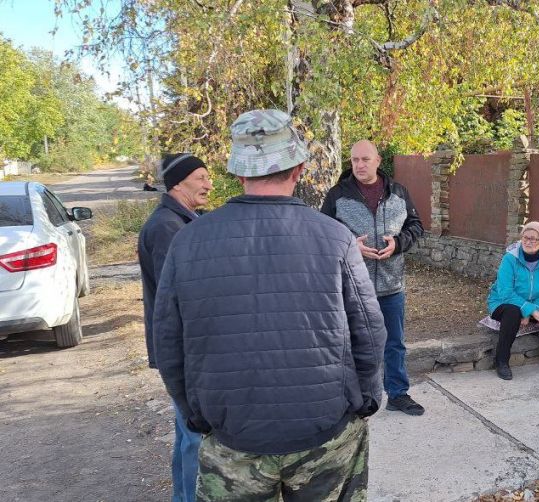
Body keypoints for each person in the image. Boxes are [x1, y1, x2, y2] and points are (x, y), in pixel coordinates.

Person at [153, 109, 387, 501]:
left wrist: (193, 411)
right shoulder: (336, 238)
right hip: (324, 430)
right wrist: (366, 398)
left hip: (233, 436)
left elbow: (168, 341)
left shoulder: (189, 241)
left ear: (239, 172)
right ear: (297, 169)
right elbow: (369, 328)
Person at [320, 140, 426, 416]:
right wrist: (350, 246)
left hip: (392, 285)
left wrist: (398, 243)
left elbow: (416, 225)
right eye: (355, 160)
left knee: (394, 343)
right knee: (350, 343)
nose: (359, 165)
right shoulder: (337, 195)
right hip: (353, 286)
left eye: (365, 159)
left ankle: (398, 394)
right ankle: (352, 399)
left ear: (378, 161)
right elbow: (324, 234)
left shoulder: (399, 193)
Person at [137, 152, 211, 502]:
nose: (209, 185)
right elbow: (180, 296)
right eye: (201, 177)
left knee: (185, 433)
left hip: (182, 346)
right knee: (195, 435)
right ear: (179, 182)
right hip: (183, 348)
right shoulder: (167, 227)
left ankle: (182, 497)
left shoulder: (180, 220)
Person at [486, 221, 539, 381]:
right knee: (512, 311)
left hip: (534, 303)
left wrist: (532, 309)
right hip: (502, 303)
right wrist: (528, 310)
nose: (528, 241)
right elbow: (505, 292)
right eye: (525, 237)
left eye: (534, 239)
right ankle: (501, 361)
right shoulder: (510, 259)